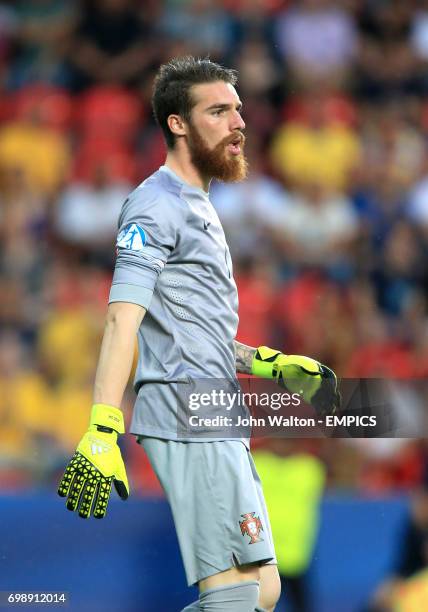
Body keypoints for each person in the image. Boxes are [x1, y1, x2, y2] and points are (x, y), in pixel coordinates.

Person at [57, 56, 340, 612]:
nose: (238, 123)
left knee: (262, 592)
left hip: (217, 408)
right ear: (177, 124)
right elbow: (123, 318)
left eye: (238, 109)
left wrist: (267, 363)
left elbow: (188, 331)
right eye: (218, 111)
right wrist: (103, 422)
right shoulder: (155, 205)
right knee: (231, 593)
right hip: (188, 413)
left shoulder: (199, 206)